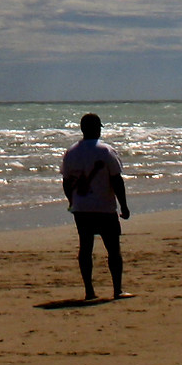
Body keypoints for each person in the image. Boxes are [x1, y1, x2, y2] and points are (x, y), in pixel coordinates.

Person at [60, 113, 129, 301]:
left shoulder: (71, 153)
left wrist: (72, 201)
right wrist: (123, 205)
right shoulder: (106, 151)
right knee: (113, 249)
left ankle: (89, 290)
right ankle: (117, 290)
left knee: (85, 248)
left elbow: (66, 182)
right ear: (97, 128)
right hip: (104, 208)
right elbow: (116, 180)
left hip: (82, 209)